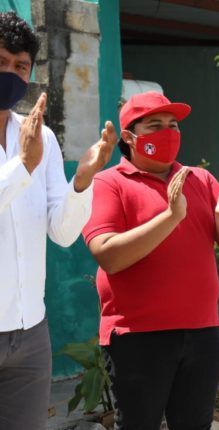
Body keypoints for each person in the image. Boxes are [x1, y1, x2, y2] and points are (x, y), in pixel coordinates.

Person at [82, 91, 219, 429]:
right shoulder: (108, 183)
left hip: (202, 333)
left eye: (173, 125)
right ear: (130, 137)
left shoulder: (199, 179)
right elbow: (108, 255)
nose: (168, 132)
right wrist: (171, 217)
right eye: (155, 125)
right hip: (138, 337)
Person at [0, 12, 116, 430]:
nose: (11, 73)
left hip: (30, 332)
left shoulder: (41, 138)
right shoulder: (31, 150)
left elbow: (62, 233)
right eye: (2, 61)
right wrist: (22, 166)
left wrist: (82, 182)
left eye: (20, 66)